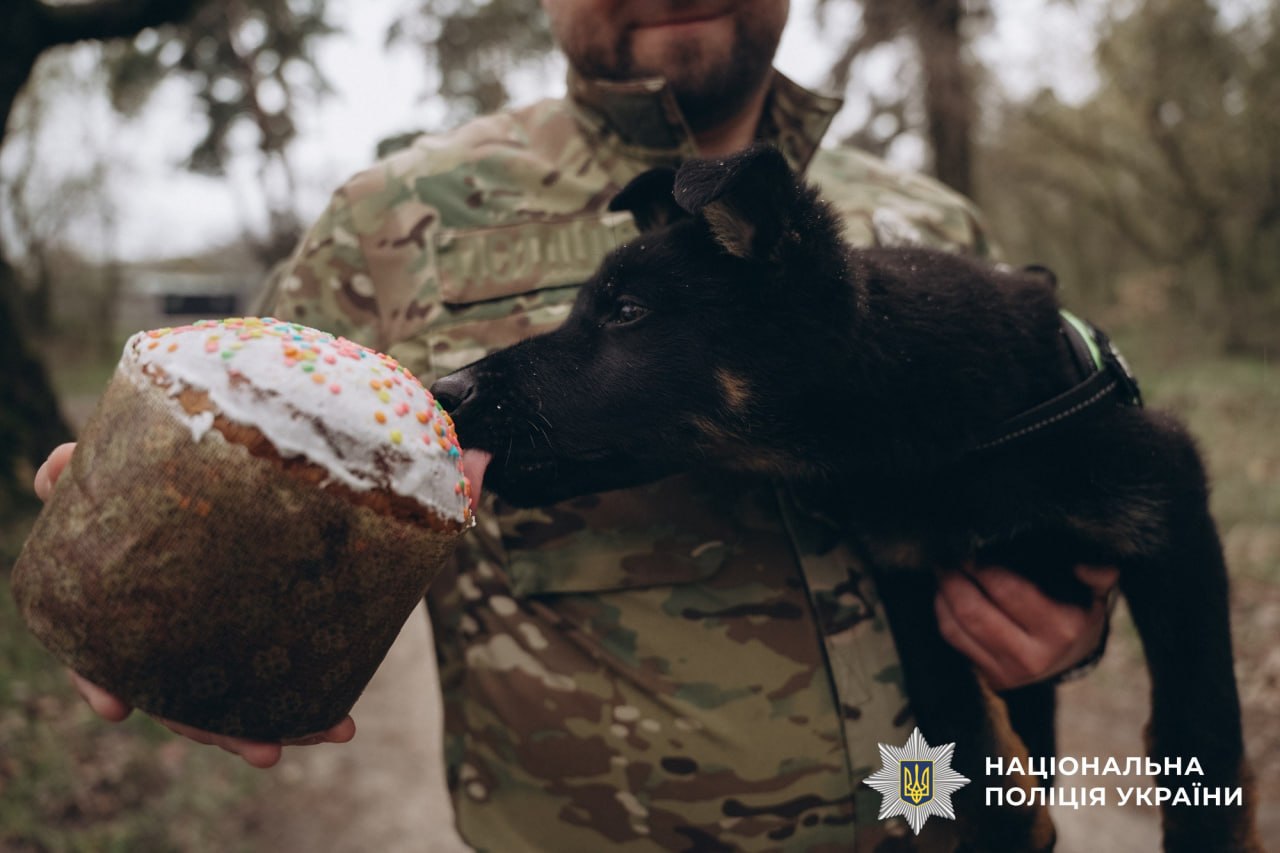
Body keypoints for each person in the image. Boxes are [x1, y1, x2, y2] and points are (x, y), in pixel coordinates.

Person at [38, 1, 1119, 849]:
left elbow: (1052, 504)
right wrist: (156, 576)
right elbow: (233, 455)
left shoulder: (929, 224)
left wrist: (1069, 623)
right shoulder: (392, 227)